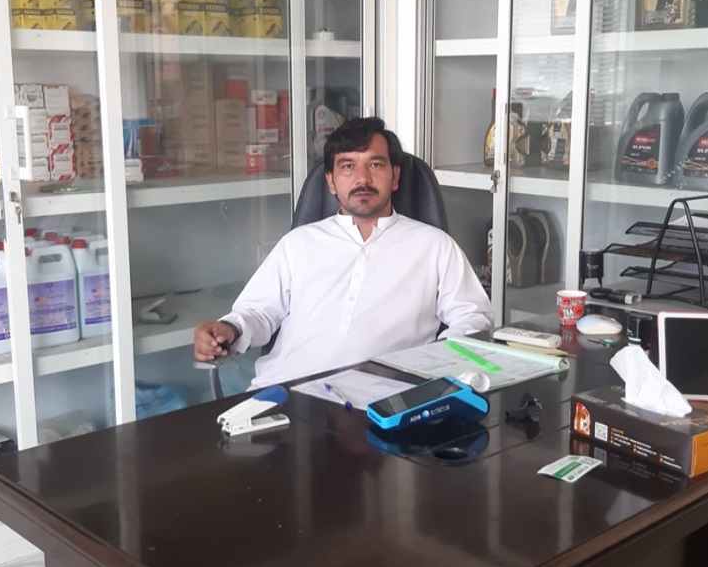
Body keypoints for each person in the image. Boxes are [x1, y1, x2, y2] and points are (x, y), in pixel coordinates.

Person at [194, 117, 493, 388]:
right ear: (331, 181)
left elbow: (473, 316)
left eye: (375, 165)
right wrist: (227, 329)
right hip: (285, 392)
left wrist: (433, 364)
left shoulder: (434, 246)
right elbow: (257, 312)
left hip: (383, 401)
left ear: (395, 177)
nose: (362, 179)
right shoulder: (298, 243)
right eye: (348, 166)